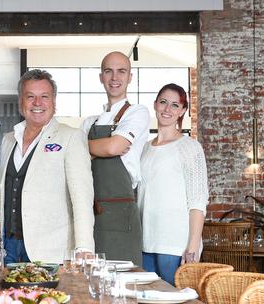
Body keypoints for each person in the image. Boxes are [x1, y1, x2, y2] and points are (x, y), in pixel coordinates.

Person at [0, 69, 95, 265]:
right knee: (6, 296)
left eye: (44, 96)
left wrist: (84, 247)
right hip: (7, 247)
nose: (37, 103)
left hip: (50, 250)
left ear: (54, 102)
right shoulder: (8, 139)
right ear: (21, 102)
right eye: (30, 97)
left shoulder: (71, 137)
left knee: (51, 297)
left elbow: (82, 197)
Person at [137, 83, 209, 285]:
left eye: (175, 105)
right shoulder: (144, 149)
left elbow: (198, 202)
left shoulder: (189, 147)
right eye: (163, 102)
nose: (167, 109)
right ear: (155, 105)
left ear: (183, 111)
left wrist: (192, 247)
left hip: (175, 245)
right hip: (145, 242)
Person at [82, 51, 149, 266]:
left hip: (120, 215)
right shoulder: (89, 122)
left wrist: (89, 149)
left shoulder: (137, 112)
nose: (114, 77)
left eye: (122, 71)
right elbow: (72, 157)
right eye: (108, 71)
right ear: (101, 77)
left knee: (123, 284)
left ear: (130, 77)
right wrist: (100, 148)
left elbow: (114, 146)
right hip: (89, 213)